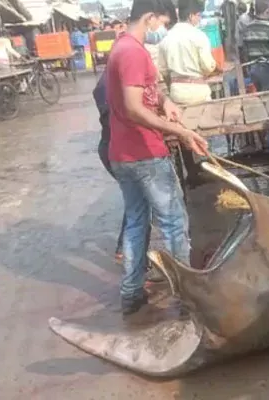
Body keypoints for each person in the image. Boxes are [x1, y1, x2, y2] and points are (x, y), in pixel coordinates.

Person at [106, 0, 209, 315]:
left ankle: (131, 294)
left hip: (122, 154)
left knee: (137, 222)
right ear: (149, 18)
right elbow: (135, 107)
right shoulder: (133, 52)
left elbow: (147, 92)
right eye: (161, 23)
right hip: (145, 154)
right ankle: (188, 297)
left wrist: (165, 102)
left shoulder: (123, 48)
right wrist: (181, 132)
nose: (161, 29)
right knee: (174, 223)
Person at [92, 73, 126, 262]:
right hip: (115, 150)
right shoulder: (111, 83)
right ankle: (126, 251)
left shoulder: (107, 81)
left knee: (137, 200)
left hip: (109, 148)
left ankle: (125, 249)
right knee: (138, 200)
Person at [158, 0, 218, 104]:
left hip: (176, 94)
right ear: (191, 16)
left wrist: (172, 85)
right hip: (199, 93)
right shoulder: (199, 35)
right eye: (198, 15)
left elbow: (163, 71)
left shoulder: (166, 38)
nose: (199, 19)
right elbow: (208, 67)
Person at [242, 0, 269, 91]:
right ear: (267, 11)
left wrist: (247, 70)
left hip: (253, 69)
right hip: (267, 69)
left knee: (261, 96)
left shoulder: (248, 28)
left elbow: (245, 51)